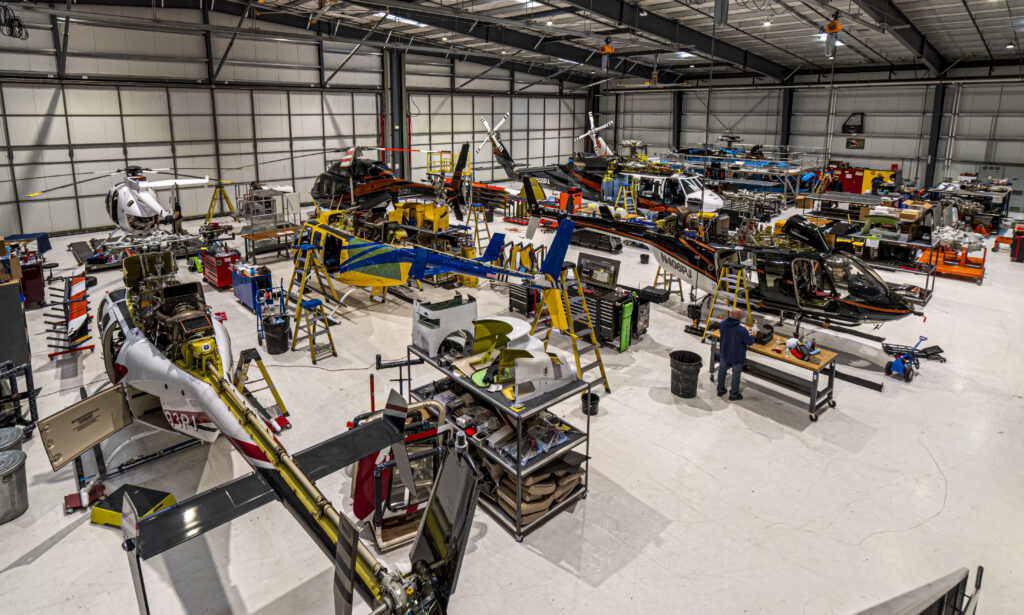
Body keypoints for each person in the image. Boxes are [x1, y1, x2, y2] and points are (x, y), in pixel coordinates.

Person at [717, 307, 755, 401]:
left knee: (722, 371)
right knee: (736, 374)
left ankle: (720, 390)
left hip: (724, 353)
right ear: (738, 317)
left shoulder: (722, 324)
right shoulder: (742, 330)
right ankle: (734, 395)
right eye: (741, 315)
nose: (742, 316)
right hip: (736, 355)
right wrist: (753, 337)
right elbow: (749, 342)